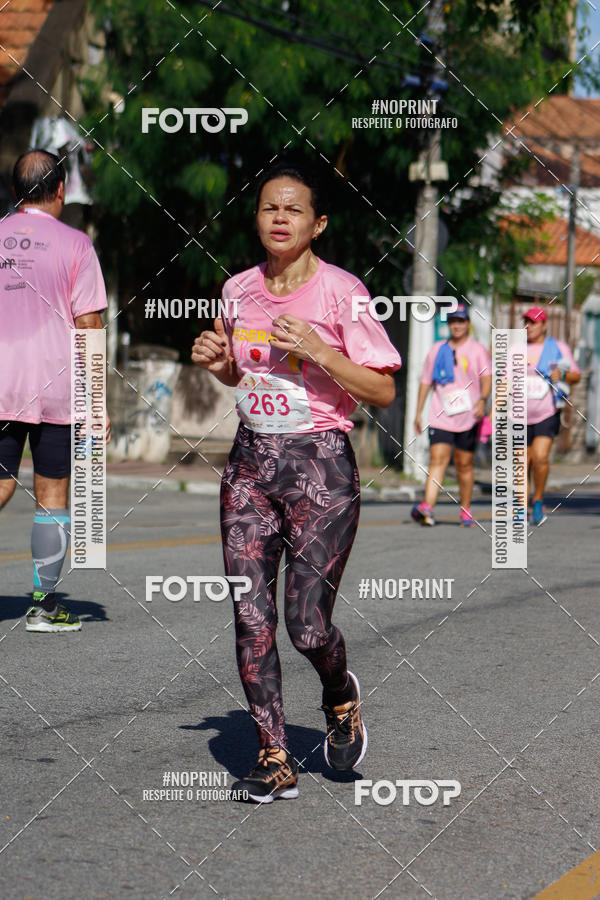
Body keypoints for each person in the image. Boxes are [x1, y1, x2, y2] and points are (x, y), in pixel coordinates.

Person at [191, 161, 401, 803]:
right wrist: (221, 364)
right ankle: (273, 753)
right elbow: (240, 377)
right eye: (268, 208)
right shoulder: (237, 290)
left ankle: (339, 696)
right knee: (251, 618)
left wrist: (319, 351)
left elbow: (383, 390)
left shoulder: (342, 293)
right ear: (257, 220)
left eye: (294, 210)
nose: (280, 218)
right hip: (250, 463)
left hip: (321, 465)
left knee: (307, 626)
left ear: (318, 224)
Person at [0, 150, 109, 631]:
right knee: (52, 496)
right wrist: (98, 404)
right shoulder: (77, 245)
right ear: (61, 190)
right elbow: (89, 327)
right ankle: (44, 608)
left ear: (12, 191)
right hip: (56, 393)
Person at [411, 303, 492, 527]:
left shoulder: (477, 350)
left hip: (468, 417)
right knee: (438, 460)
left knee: (464, 464)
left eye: (461, 321)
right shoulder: (438, 349)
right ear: (449, 325)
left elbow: (487, 378)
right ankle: (427, 508)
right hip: (441, 414)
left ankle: (465, 509)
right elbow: (426, 381)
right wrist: (418, 413)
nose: (457, 325)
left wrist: (483, 400)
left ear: (467, 324)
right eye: (453, 322)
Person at [522, 306, 580, 525]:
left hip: (546, 412)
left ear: (544, 325)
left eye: (534, 322)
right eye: (526, 322)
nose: (529, 326)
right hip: (519, 414)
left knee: (540, 457)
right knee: (522, 463)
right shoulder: (517, 348)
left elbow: (576, 375)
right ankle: (522, 506)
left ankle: (537, 500)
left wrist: (562, 374)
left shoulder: (557, 347)